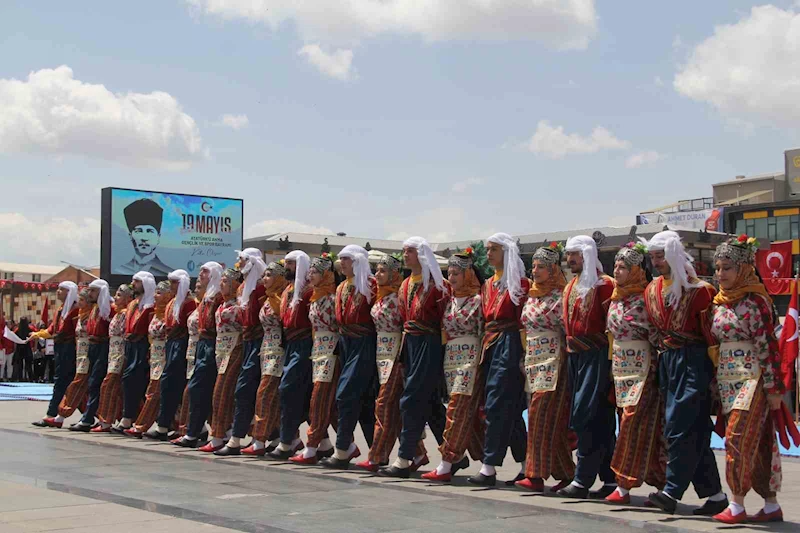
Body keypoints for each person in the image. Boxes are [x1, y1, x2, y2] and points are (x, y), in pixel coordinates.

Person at [642, 230, 727, 515]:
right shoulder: (651, 289)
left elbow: (711, 335)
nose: (656, 262)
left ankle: (672, 490)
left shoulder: (701, 290)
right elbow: (653, 329)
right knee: (694, 431)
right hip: (668, 361)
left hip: (694, 362)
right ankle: (714, 495)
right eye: (652, 257)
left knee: (680, 425)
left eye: (660, 257)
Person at [708, 236, 784, 524]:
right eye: (717, 268)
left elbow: (769, 347)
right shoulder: (719, 303)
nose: (720, 274)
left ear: (743, 269)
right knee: (762, 441)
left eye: (727, 267)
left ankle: (736, 503)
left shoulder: (756, 303)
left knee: (737, 439)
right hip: (729, 381)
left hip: (753, 381)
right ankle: (771, 503)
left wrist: (774, 388)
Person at [379, 237, 449, 478]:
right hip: (410, 343)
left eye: (409, 251)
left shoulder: (438, 285)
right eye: (404, 251)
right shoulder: (406, 284)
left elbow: (445, 320)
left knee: (410, 400)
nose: (405, 255)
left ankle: (404, 457)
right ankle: (454, 455)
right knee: (429, 405)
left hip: (429, 344)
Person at [465, 233, 530, 487]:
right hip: (491, 344)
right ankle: (527, 466)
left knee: (495, 404)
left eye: (494, 249)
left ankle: (489, 466)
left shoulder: (521, 284)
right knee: (511, 411)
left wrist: (523, 355)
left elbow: (523, 321)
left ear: (507, 252)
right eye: (488, 249)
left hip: (510, 344)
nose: (489, 253)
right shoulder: (488, 284)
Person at [605, 244, 666, 503]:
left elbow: (658, 334)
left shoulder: (646, 298)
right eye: (616, 266)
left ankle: (624, 484)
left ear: (636, 271)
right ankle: (662, 481)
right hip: (620, 370)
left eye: (623, 267)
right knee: (628, 421)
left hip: (644, 371)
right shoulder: (616, 298)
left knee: (633, 422)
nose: (617, 271)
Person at [557, 235, 617, 499]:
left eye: (575, 254)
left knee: (586, 415)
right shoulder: (570, 285)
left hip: (597, 355)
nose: (570, 260)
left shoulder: (605, 285)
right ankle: (610, 477)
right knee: (599, 419)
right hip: (575, 357)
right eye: (568, 255)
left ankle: (582, 479)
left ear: (588, 255)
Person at [515, 243, 574, 493]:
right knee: (549, 419)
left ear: (553, 270)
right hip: (533, 360)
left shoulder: (561, 295)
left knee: (539, 415)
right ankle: (567, 472)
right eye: (534, 266)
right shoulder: (532, 295)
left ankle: (535, 474)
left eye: (541, 267)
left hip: (554, 360)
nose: (535, 271)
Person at [423, 250, 486, 482]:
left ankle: (447, 462)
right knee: (463, 412)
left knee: (457, 409)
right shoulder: (449, 301)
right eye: (449, 272)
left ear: (468, 274)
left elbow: (484, 332)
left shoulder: (478, 300)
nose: (452, 276)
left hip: (471, 358)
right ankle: (487, 457)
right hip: (451, 358)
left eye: (457, 272)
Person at [319, 246, 378, 469]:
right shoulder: (342, 286)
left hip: (364, 343)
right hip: (345, 344)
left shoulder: (370, 285)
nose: (342, 262)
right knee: (361, 402)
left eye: (347, 259)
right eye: (341, 259)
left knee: (345, 394)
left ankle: (342, 449)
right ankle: (376, 452)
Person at [355, 254, 407, 472]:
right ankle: (419, 452)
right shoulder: (380, 296)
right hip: (380, 353)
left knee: (384, 403)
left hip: (396, 355)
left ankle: (376, 455)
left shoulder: (400, 297)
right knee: (391, 406)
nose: (377, 275)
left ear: (394, 274)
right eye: (376, 270)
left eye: (382, 271)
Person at [214, 250, 267, 455]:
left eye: (243, 259)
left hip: (262, 344)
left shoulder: (262, 287)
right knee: (244, 391)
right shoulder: (244, 287)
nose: (239, 262)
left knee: (251, 391)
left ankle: (246, 438)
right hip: (247, 343)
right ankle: (239, 437)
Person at [292, 254, 340, 465]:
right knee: (326, 401)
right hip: (317, 350)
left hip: (331, 351)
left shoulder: (332, 299)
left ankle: (312, 446)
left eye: (315, 272)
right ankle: (343, 445)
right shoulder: (315, 298)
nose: (310, 275)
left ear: (326, 275)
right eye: (310, 271)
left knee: (319, 398)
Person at [173, 261, 224, 448]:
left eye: (205, 271)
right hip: (201, 345)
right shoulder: (207, 296)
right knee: (198, 389)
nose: (201, 274)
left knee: (200, 388)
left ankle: (196, 432)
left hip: (213, 345)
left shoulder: (219, 296)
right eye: (201, 271)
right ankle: (195, 430)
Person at [268, 251, 314, 460]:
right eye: (285, 263)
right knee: (291, 393)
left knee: (290, 390)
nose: (287, 267)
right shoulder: (288, 290)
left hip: (305, 345)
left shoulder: (308, 290)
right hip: (289, 344)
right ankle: (315, 442)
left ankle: (287, 441)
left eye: (291, 264)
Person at [242, 261, 290, 456]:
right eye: (265, 275)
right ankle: (287, 438)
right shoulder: (267, 299)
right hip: (266, 349)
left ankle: (259, 439)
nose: (265, 279)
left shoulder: (282, 299)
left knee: (264, 393)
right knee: (273, 395)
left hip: (278, 350)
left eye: (269, 275)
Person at [198, 267, 245, 452]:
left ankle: (218, 436)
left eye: (226, 281)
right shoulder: (221, 305)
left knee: (222, 392)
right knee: (221, 393)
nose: (221, 285)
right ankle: (223, 433)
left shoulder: (240, 305)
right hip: (221, 352)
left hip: (235, 349)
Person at [147, 270, 196, 440]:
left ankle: (176, 425)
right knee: (167, 385)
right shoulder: (172, 303)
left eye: (175, 282)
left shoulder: (189, 303)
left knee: (178, 385)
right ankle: (164, 424)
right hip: (171, 345)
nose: (172, 286)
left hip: (182, 346)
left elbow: (185, 327)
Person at [125, 280, 173, 437]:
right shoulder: (155, 312)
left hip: (167, 356)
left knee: (155, 390)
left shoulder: (170, 311)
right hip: (154, 356)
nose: (155, 296)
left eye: (159, 293)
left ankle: (142, 425)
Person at [68, 280, 115, 431]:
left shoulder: (110, 309)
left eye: (93, 291)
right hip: (92, 347)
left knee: (96, 383)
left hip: (104, 348)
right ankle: (92, 416)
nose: (90, 294)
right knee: (91, 383)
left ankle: (89, 419)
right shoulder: (95, 308)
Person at [31, 282, 79, 428]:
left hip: (70, 350)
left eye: (62, 290)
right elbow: (52, 330)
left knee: (65, 383)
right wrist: (37, 334)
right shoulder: (61, 309)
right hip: (61, 349)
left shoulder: (76, 309)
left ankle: (51, 415)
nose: (58, 292)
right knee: (66, 383)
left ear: (69, 292)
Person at [114, 271, 156, 432]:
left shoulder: (151, 305)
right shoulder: (132, 304)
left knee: (137, 381)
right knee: (128, 381)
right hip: (130, 346)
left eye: (137, 281)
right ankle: (128, 417)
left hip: (143, 346)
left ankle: (132, 419)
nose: (133, 285)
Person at [92, 284, 134, 432]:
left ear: (128, 298)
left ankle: (106, 421)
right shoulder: (117, 313)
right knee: (115, 386)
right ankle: (117, 419)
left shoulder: (124, 314)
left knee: (108, 385)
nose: (115, 298)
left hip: (120, 352)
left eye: (119, 295)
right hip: (113, 351)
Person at [117, 198, 172, 276]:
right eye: (139, 231)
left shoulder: (168, 273)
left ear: (158, 237)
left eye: (149, 231)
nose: (144, 238)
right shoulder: (120, 269)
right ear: (130, 236)